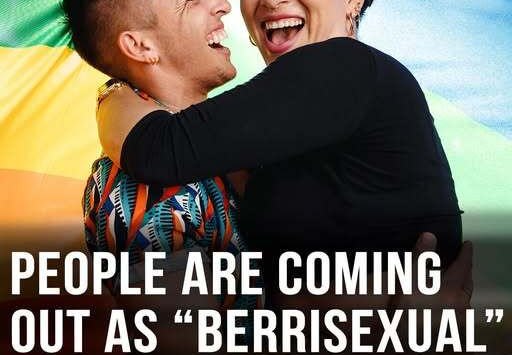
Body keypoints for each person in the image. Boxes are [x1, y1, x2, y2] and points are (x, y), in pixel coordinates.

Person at [96, 0, 462, 312]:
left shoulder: (344, 65)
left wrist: (111, 95)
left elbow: (157, 149)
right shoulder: (299, 130)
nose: (271, 0)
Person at [62, 0, 261, 355]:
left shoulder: (212, 149)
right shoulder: (142, 192)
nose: (222, 6)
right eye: (189, 2)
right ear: (141, 46)